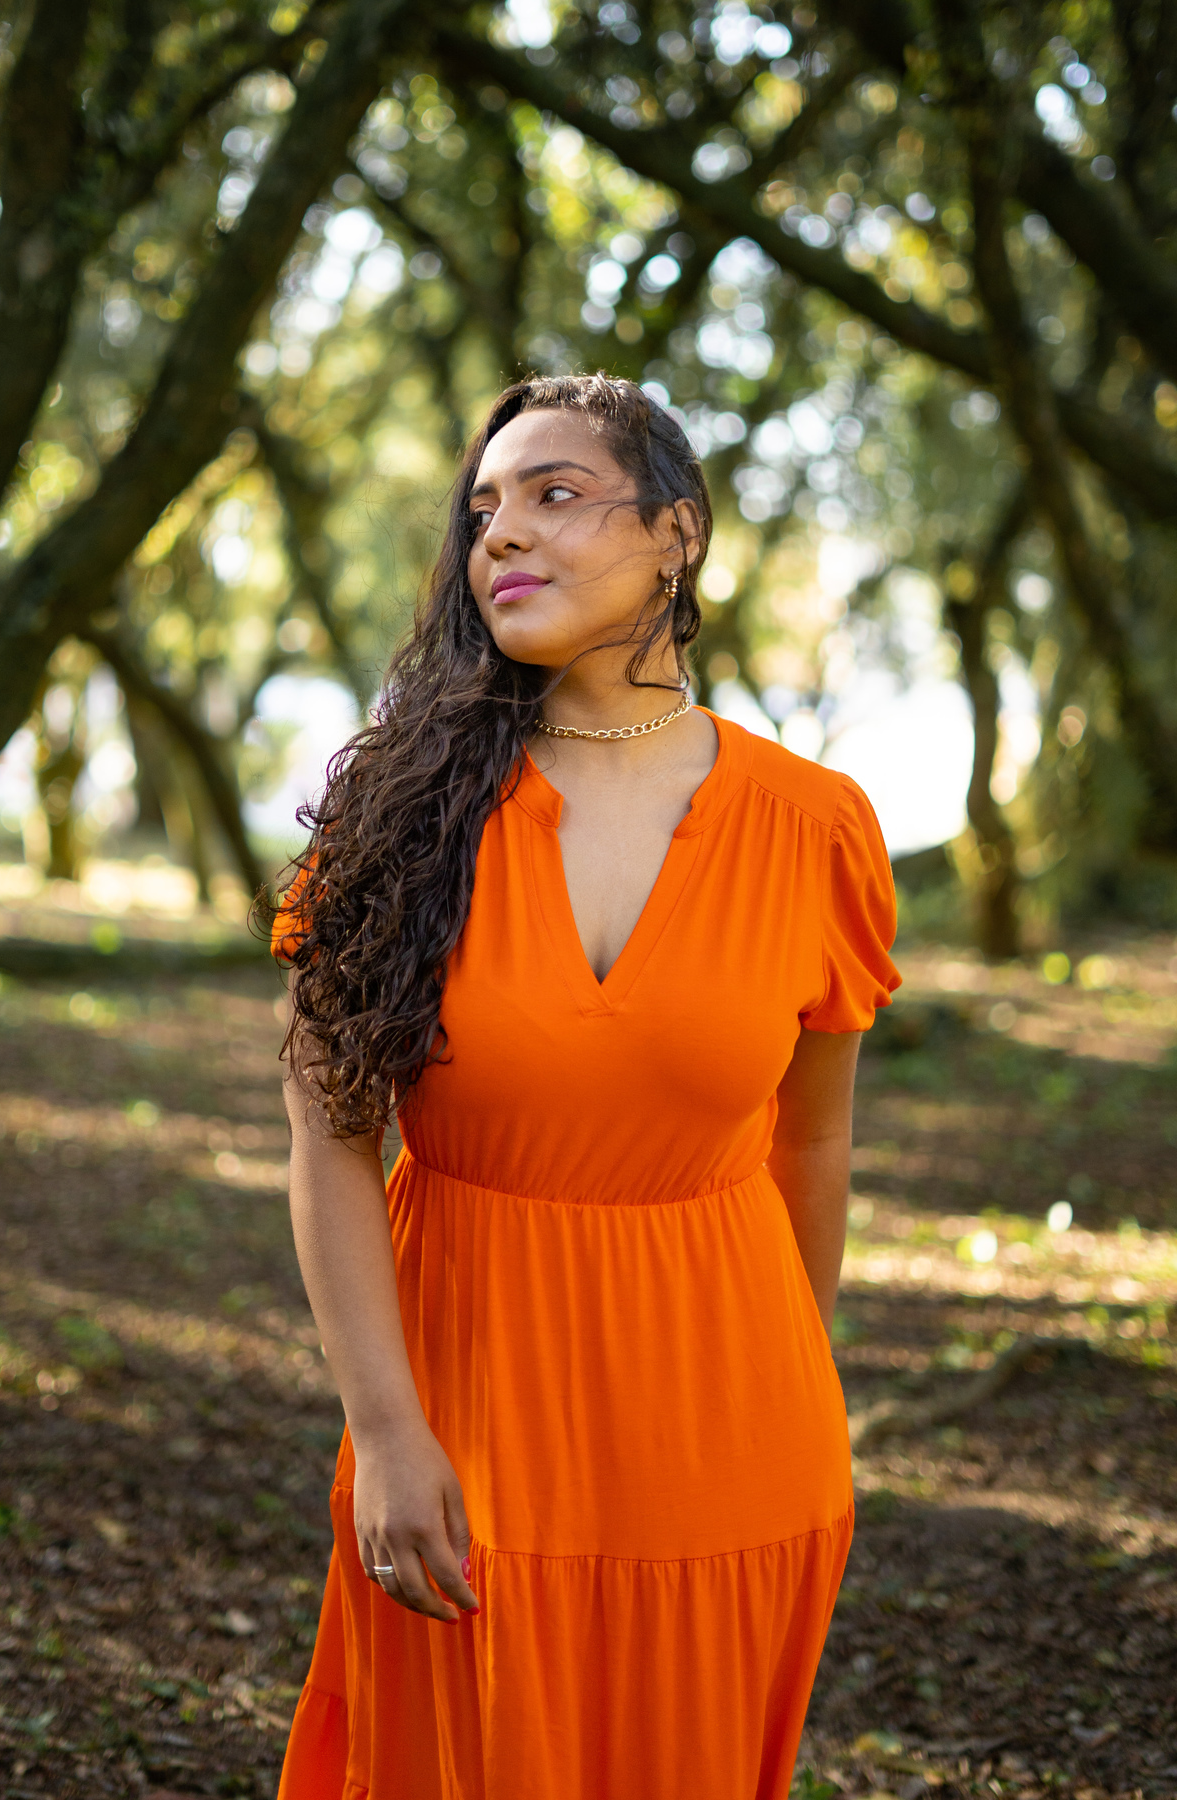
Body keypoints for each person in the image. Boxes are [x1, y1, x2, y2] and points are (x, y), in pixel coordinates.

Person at [271, 373, 900, 1800]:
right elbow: (328, 1147)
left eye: (555, 494)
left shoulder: (818, 827)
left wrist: (787, 1394)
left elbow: (814, 1139)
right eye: (485, 509)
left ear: (676, 534)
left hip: (734, 1437)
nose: (503, 535)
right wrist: (386, 1431)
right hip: (466, 1406)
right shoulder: (396, 813)